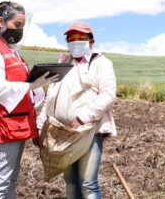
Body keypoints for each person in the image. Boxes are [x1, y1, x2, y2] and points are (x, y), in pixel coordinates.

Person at [0, 1, 57, 198]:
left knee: (11, 181)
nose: (20, 30)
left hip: (17, 124)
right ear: (1, 21)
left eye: (22, 25)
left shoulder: (12, 52)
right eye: (17, 25)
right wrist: (31, 85)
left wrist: (38, 83)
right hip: (4, 126)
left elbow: (23, 88)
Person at [36, 21, 117, 199]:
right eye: (72, 38)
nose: (76, 42)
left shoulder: (100, 63)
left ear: (91, 41)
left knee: (88, 183)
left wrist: (81, 118)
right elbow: (51, 98)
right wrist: (40, 126)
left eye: (81, 38)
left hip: (89, 130)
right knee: (71, 182)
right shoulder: (63, 64)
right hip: (63, 132)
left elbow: (108, 94)